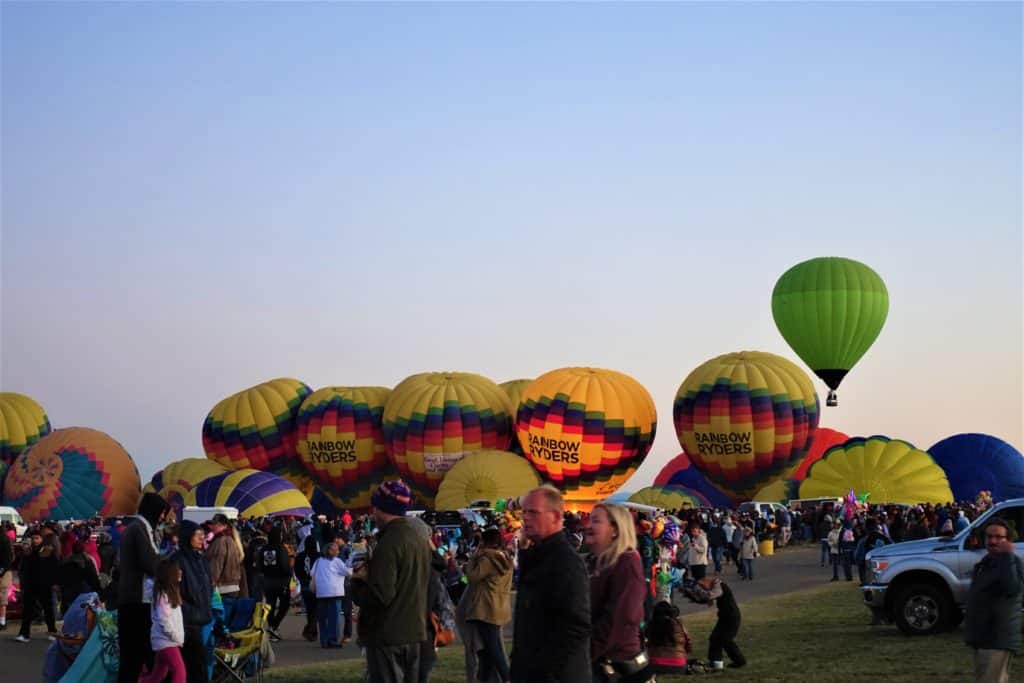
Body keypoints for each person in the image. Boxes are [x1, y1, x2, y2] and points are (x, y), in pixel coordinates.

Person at [350, 479, 432, 682]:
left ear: (380, 508)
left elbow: (381, 596)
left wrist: (358, 583)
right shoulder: (418, 540)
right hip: (413, 631)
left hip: (388, 634)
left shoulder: (388, 544)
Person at [510, 486, 590, 683]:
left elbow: (575, 627)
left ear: (555, 517)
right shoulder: (538, 556)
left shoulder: (565, 562)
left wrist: (547, 674)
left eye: (533, 512)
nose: (526, 518)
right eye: (524, 512)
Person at [586, 503, 647, 683]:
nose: (588, 525)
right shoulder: (594, 562)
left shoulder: (626, 562)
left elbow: (620, 617)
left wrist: (587, 651)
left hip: (615, 662)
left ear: (615, 529)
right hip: (596, 659)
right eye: (589, 519)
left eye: (596, 521)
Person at [116, 492, 169, 681]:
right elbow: (151, 563)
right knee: (135, 657)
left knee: (135, 658)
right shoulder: (139, 529)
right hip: (137, 601)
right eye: (162, 513)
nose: (163, 518)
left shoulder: (137, 528)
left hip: (134, 599)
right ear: (153, 511)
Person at [964, 517, 1023, 683]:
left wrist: (1007, 556)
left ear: (1008, 541)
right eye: (989, 537)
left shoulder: (1011, 562)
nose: (993, 541)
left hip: (997, 638)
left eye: (998, 537)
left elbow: (1012, 588)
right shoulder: (986, 563)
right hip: (983, 638)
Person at [463, 528, 513, 683]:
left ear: (484, 541)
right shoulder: (505, 558)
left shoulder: (486, 559)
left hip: (485, 607)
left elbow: (472, 577)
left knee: (491, 648)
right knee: (490, 648)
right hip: (499, 605)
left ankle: (507, 678)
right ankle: (485, 678)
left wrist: (472, 559)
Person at [174, 520, 213, 683]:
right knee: (192, 666)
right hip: (185, 620)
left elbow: (208, 585)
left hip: (200, 617)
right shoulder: (176, 560)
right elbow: (174, 590)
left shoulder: (201, 559)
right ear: (187, 537)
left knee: (199, 664)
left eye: (202, 535)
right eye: (198, 535)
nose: (201, 539)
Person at [141, 558, 187, 683]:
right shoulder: (163, 596)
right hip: (166, 641)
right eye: (177, 570)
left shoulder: (168, 594)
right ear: (170, 574)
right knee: (180, 672)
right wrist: (176, 636)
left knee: (157, 676)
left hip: (165, 641)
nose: (181, 572)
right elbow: (164, 620)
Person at [14, 529, 59, 642]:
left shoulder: (47, 550)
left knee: (48, 609)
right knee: (27, 610)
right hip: (30, 585)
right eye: (33, 538)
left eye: (37, 538)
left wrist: (54, 582)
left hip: (44, 585)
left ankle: (52, 631)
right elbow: (23, 567)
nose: (34, 541)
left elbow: (53, 567)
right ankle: (24, 634)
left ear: (42, 539)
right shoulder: (28, 552)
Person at [696, 576, 746, 671]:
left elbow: (710, 595)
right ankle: (716, 663)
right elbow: (709, 601)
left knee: (726, 640)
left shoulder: (719, 585)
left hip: (731, 617)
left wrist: (700, 592)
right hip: (725, 617)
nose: (703, 588)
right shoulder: (715, 585)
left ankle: (740, 661)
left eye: (703, 585)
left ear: (707, 581)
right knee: (715, 638)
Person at [313, 541, 353, 649]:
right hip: (334, 592)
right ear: (330, 551)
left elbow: (312, 573)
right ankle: (332, 640)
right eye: (336, 550)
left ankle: (324, 640)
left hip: (321, 593)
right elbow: (348, 573)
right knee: (334, 618)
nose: (338, 552)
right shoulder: (336, 561)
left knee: (323, 618)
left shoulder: (318, 561)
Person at [257, 526, 292, 641]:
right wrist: (289, 573)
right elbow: (285, 565)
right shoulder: (281, 548)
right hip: (281, 581)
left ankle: (272, 627)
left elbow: (259, 565)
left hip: (267, 581)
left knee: (270, 606)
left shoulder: (263, 549)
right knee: (285, 605)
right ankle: (274, 626)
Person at [645, 601, 692, 676]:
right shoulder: (678, 624)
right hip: (678, 665)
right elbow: (688, 643)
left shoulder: (650, 625)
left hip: (655, 665)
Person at [207, 514, 246, 599]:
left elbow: (216, 566)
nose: (212, 527)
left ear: (223, 525)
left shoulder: (221, 541)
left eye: (215, 525)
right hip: (233, 586)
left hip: (222, 588)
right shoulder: (233, 539)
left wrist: (210, 585)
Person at [59, 540, 101, 615]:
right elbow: (93, 577)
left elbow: (62, 578)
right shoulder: (88, 561)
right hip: (85, 592)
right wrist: (97, 589)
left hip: (70, 593)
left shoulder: (66, 561)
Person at [294, 535, 319, 642]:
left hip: (304, 585)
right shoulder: (319, 556)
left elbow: (296, 570)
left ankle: (312, 631)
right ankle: (310, 630)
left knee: (310, 610)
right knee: (317, 609)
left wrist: (302, 579)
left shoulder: (300, 556)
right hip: (316, 585)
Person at [0, 528, 13, 631]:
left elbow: (7, 560)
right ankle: (2, 621)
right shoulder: (5, 539)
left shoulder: (4, 540)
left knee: (2, 598)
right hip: (4, 572)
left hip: (3, 574)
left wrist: (1, 572)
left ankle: (2, 622)